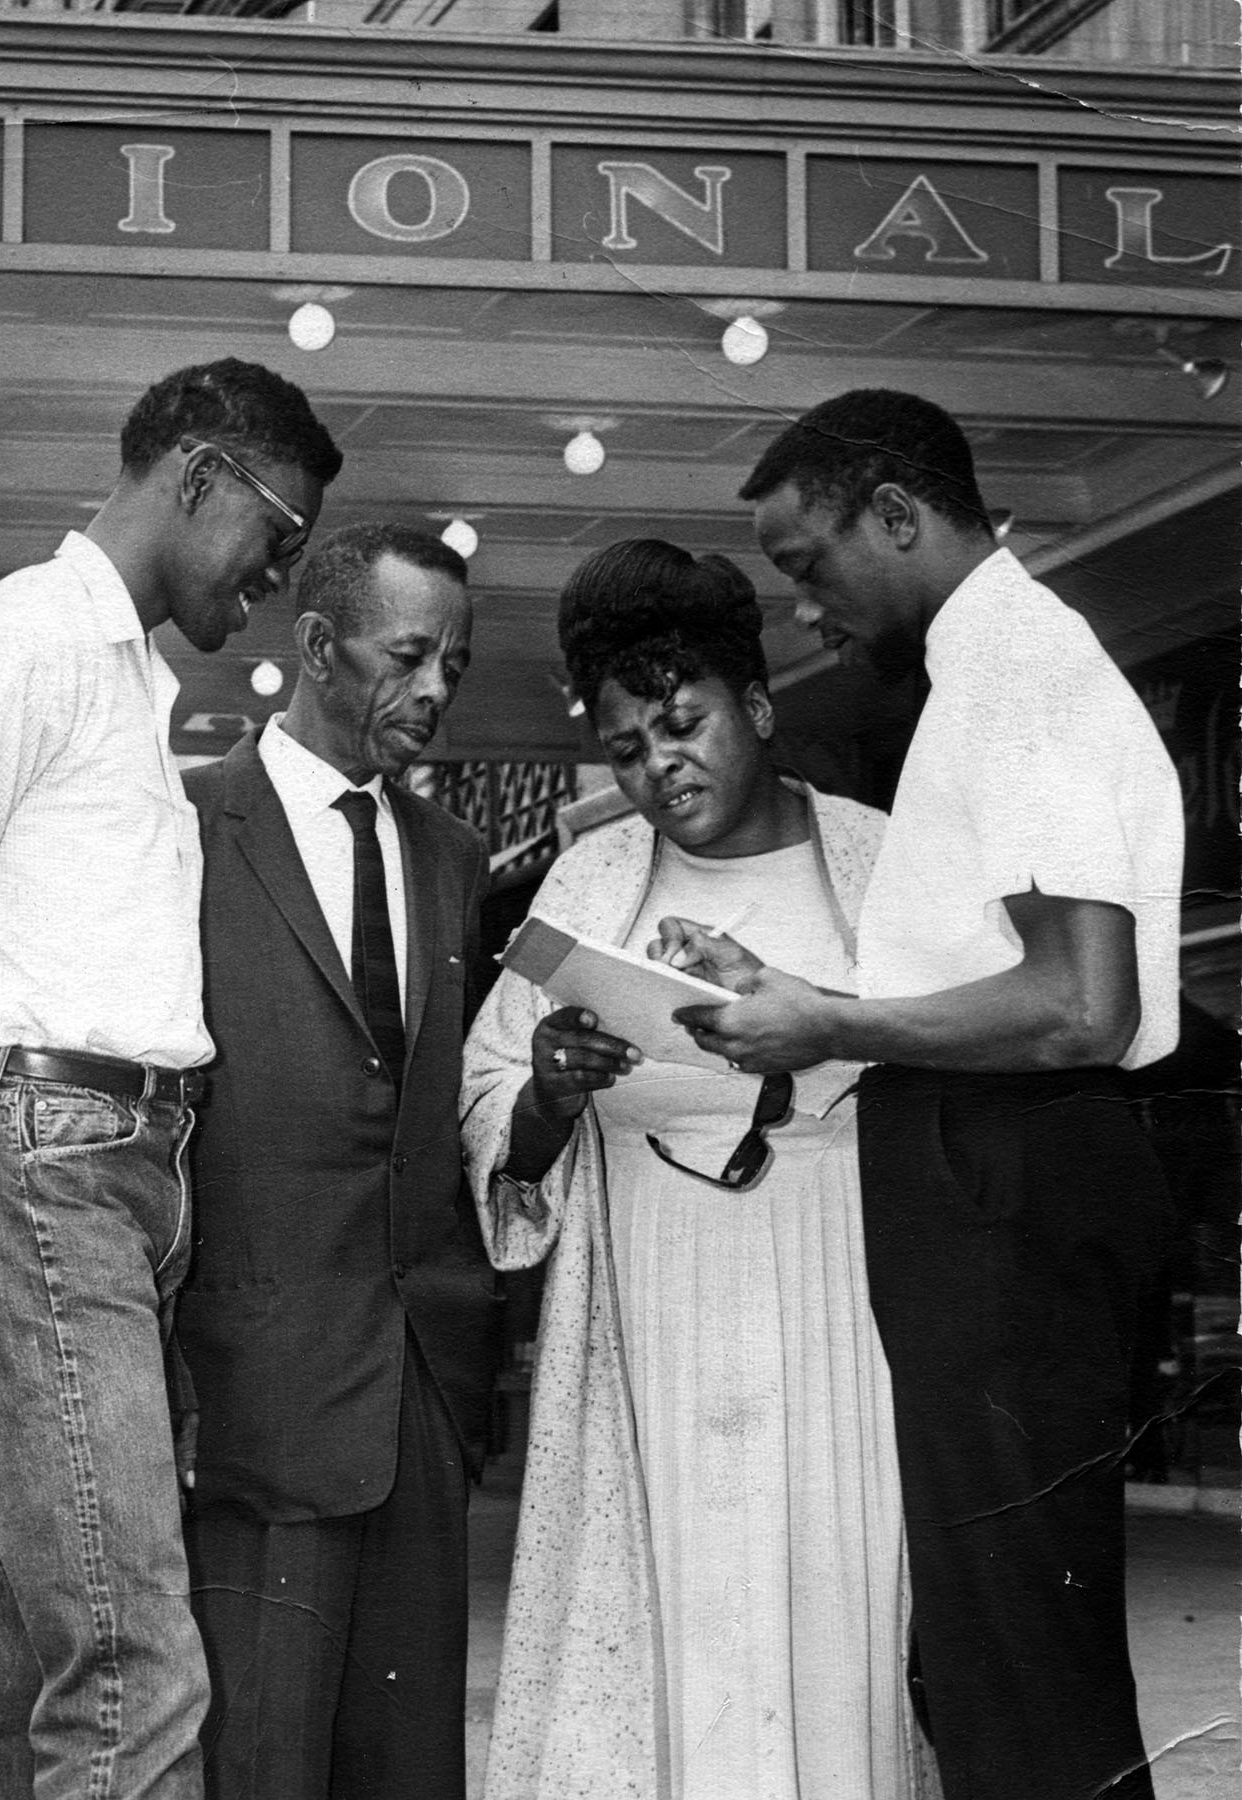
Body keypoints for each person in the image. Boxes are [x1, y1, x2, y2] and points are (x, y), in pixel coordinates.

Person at [0, 358, 342, 1800]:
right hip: (48, 1173)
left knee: (3, 1672)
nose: (278, 586)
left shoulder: (125, 674)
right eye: (277, 541)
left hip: (106, 1182)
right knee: (133, 1675)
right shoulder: (27, 638)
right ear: (198, 481)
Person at [674, 390, 1183, 1800]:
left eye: (809, 563)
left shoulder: (1022, 667)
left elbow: (1087, 1004)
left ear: (896, 514)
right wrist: (804, 995)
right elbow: (997, 978)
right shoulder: (992, 674)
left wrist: (825, 1018)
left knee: (1019, 1642)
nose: (806, 608)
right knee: (989, 1637)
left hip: (1010, 1170)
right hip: (990, 1166)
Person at [459, 538, 919, 1797]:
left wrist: (810, 1011)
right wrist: (550, 1089)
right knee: (677, 1616)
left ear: (757, 707)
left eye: (682, 724)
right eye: (624, 749)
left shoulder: (878, 859)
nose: (659, 767)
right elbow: (490, 1101)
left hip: (839, 1290)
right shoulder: (590, 878)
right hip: (652, 1306)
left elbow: (957, 1056)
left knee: (841, 1598)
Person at [177, 522, 497, 1800]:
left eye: (455, 667)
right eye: (409, 655)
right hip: (254, 1388)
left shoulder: (454, 859)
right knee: (258, 1762)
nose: (434, 692)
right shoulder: (185, 830)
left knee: (410, 1771)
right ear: (314, 644)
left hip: (422, 1386)